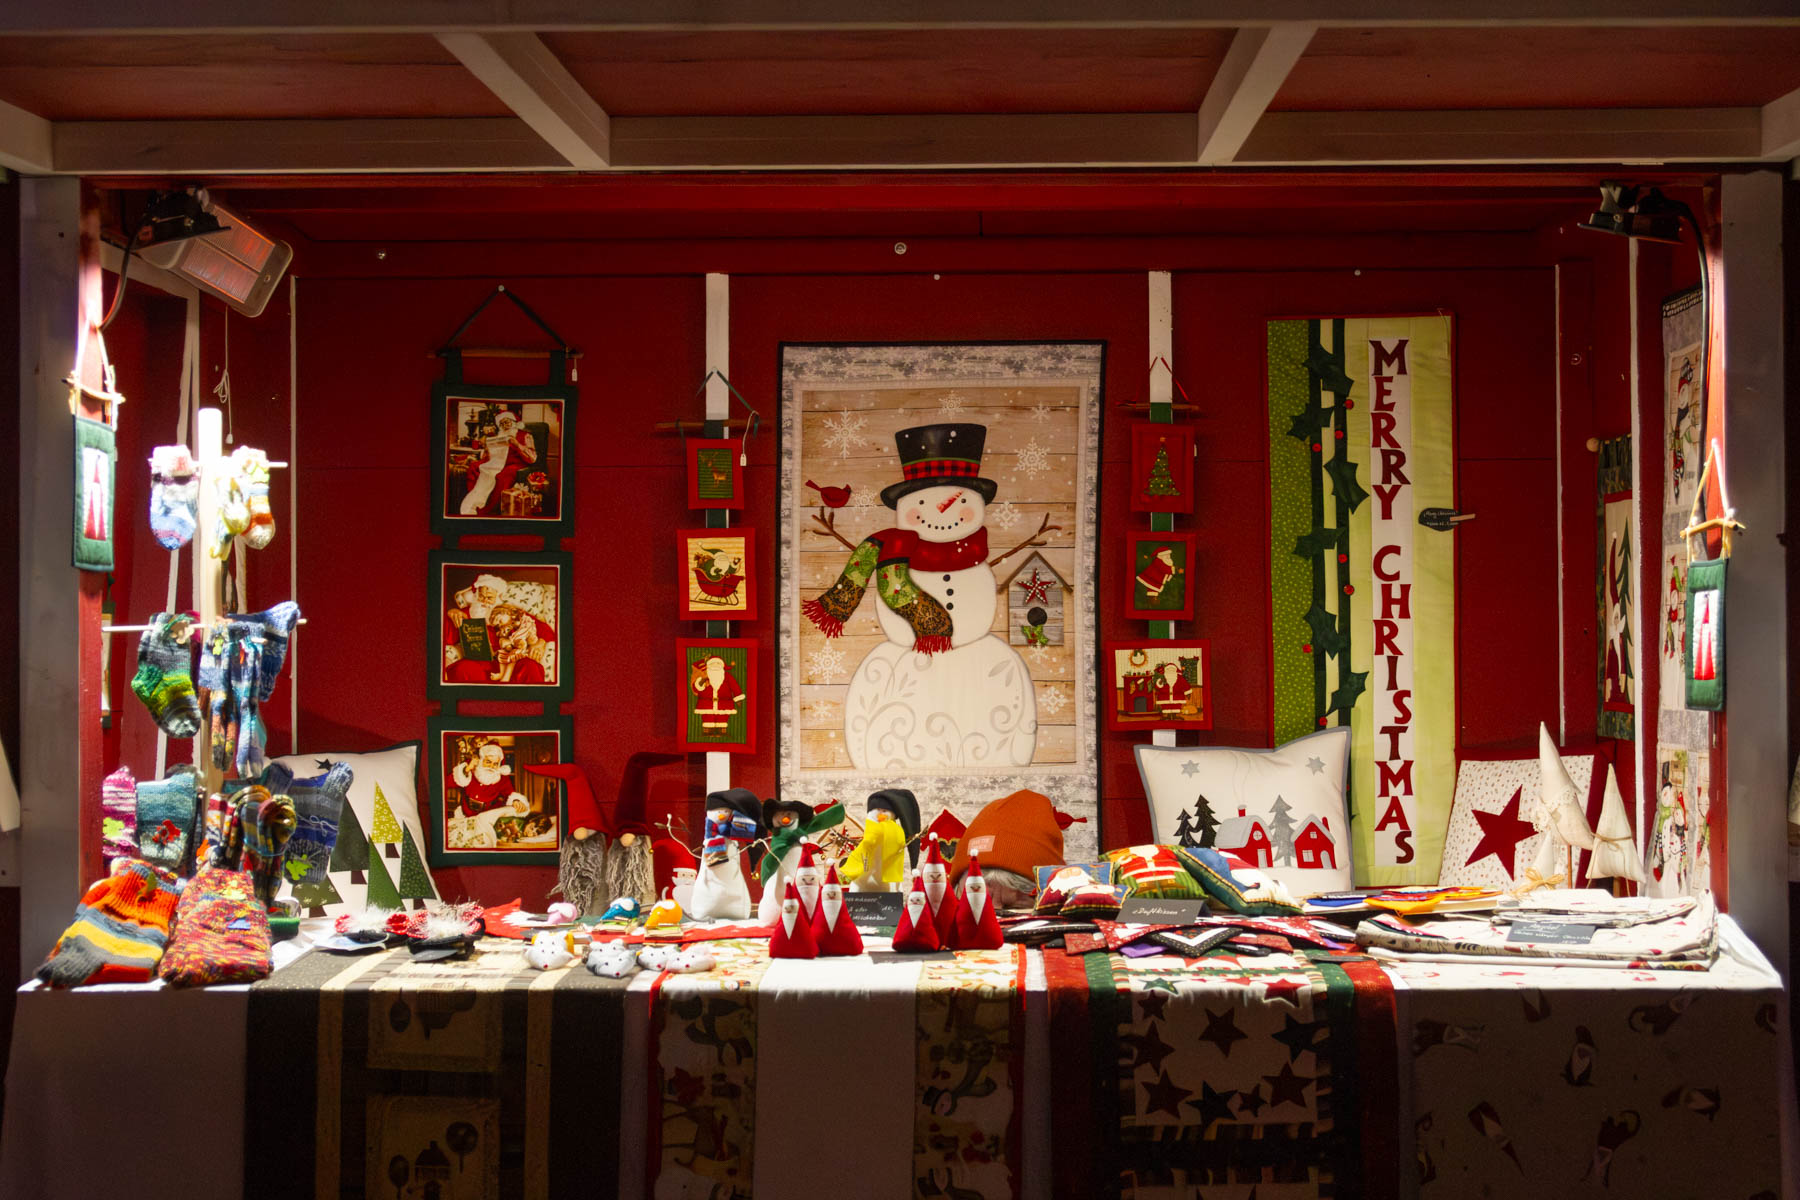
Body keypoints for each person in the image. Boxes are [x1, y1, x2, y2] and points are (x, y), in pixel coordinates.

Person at [458, 409, 537, 516]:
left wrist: (517, 444)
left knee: (501, 476)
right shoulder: (498, 435)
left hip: (514, 464)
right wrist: (486, 448)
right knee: (474, 466)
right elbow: (488, 456)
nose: (505, 425)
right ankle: (475, 498)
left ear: (513, 422)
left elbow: (532, 458)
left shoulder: (525, 435)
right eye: (501, 423)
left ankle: (488, 509)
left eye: (507, 422)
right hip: (495, 463)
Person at [691, 654, 744, 735]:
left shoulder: (728, 677)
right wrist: (702, 681)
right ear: (708, 666)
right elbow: (696, 689)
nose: (715, 666)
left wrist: (738, 699)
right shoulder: (704, 677)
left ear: (722, 666)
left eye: (718, 664)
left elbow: (735, 687)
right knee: (707, 717)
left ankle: (721, 730)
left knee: (723, 717)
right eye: (713, 664)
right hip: (706, 704)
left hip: (724, 703)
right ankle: (708, 729)